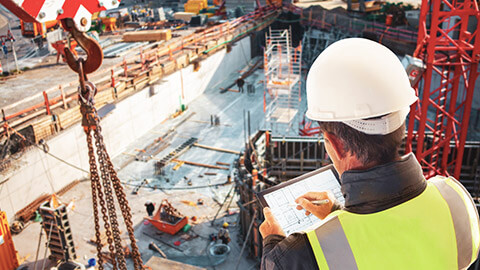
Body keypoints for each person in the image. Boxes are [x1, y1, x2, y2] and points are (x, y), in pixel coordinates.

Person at [259, 38, 480, 269]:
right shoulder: (457, 202)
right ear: (400, 123)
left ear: (336, 145)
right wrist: (338, 213)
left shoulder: (301, 256)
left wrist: (274, 247)